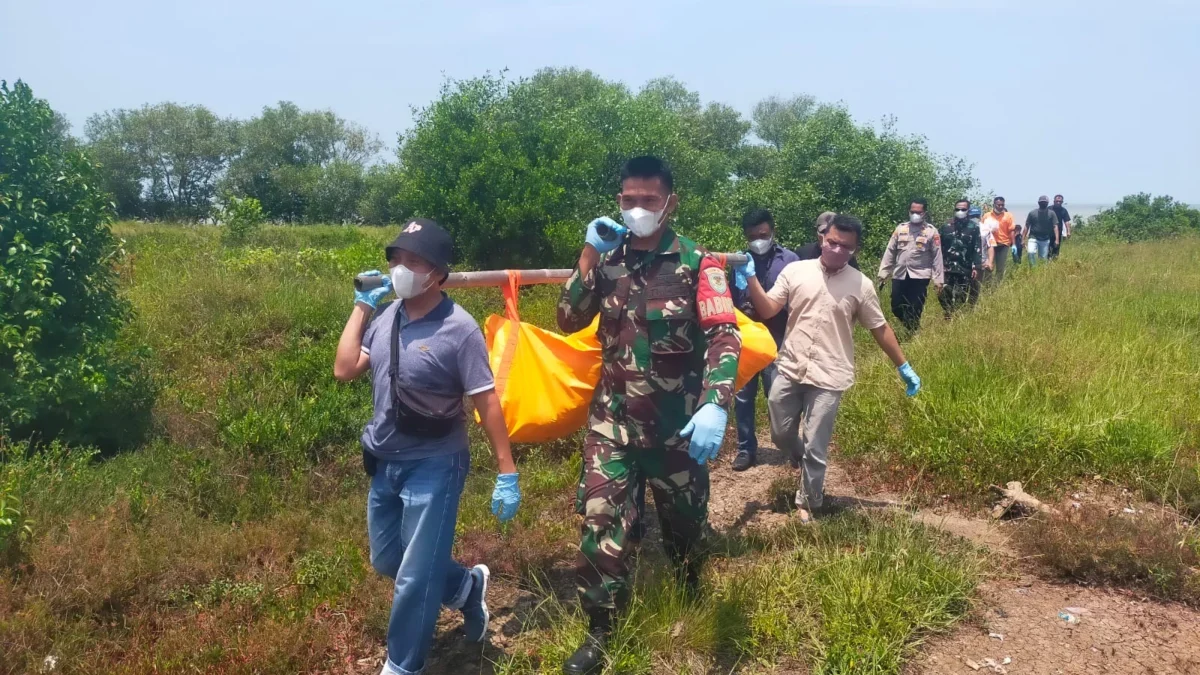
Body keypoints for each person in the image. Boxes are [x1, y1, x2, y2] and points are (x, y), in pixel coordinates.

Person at [557, 156, 741, 675]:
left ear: (670, 203)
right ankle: (602, 630)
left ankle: (688, 584)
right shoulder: (609, 259)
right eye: (628, 200)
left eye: (648, 200)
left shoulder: (698, 264)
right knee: (601, 523)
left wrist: (715, 402)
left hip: (675, 429)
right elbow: (568, 316)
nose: (637, 209)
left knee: (684, 526)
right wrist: (588, 253)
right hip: (610, 425)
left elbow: (725, 335)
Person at [333, 219, 521, 675]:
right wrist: (361, 308)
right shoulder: (386, 318)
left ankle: (402, 665)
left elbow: (486, 399)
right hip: (385, 460)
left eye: (413, 261)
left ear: (437, 272)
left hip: (435, 464)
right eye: (396, 259)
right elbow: (344, 368)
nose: (401, 269)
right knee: (387, 560)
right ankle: (464, 588)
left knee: (415, 579)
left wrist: (506, 470)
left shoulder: (459, 329)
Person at [734, 214, 921, 524]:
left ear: (855, 250)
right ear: (823, 238)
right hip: (790, 367)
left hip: (830, 374)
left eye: (845, 247)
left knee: (817, 446)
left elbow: (879, 327)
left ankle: (809, 500)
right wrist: (751, 278)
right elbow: (767, 309)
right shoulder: (796, 271)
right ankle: (801, 455)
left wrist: (904, 366)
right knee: (781, 435)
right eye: (832, 242)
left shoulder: (861, 285)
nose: (836, 249)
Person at [728, 208, 798, 471]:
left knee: (778, 396)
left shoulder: (790, 260)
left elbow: (795, 300)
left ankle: (791, 446)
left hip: (778, 338)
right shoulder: (738, 260)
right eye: (752, 236)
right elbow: (733, 298)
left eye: (763, 234)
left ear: (772, 232)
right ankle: (746, 449)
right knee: (744, 397)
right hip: (747, 339)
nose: (758, 240)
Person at [876, 199, 944, 333]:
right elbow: (890, 251)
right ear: (909, 211)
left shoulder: (931, 231)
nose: (915, 214)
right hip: (900, 274)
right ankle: (912, 328)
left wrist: (938, 280)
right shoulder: (901, 228)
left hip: (920, 275)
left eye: (918, 212)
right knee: (896, 306)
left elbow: (937, 256)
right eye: (913, 212)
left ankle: (911, 334)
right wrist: (884, 272)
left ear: (924, 213)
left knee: (915, 307)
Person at [938, 199, 983, 319]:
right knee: (943, 294)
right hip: (946, 267)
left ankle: (956, 316)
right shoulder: (946, 226)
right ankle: (948, 313)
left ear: (968, 211)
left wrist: (976, 267)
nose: (960, 211)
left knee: (960, 294)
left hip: (964, 267)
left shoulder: (973, 227)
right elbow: (938, 247)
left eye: (963, 209)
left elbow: (977, 247)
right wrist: (937, 265)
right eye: (957, 209)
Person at [795, 211, 860, 270]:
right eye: (824, 231)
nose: (827, 235)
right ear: (816, 231)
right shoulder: (803, 253)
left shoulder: (846, 256)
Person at [981, 196, 1016, 282]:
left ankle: (997, 286)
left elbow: (1011, 230)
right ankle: (987, 284)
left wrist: (1014, 244)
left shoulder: (1008, 216)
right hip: (990, 245)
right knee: (988, 265)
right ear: (994, 205)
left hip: (1003, 244)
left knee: (1000, 267)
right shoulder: (987, 216)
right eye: (998, 205)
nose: (1000, 207)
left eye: (1002, 205)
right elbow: (981, 230)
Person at [1023, 195, 1060, 267]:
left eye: (1045, 202)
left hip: (1045, 238)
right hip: (1033, 237)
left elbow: (1055, 226)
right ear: (1038, 203)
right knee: (1030, 252)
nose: (1043, 203)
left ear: (1047, 203)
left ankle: (1041, 271)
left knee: (1043, 258)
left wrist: (1057, 240)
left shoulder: (1051, 213)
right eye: (1042, 202)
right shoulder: (1032, 213)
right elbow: (1027, 226)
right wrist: (1022, 239)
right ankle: (1033, 268)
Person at [967, 205, 988, 305]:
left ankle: (972, 306)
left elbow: (991, 245)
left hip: (980, 262)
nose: (974, 218)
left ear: (980, 216)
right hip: (965, 262)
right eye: (972, 216)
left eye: (976, 216)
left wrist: (989, 260)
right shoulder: (964, 228)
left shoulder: (985, 229)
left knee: (976, 286)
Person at [1050, 194, 1072, 259]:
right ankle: (1047, 261)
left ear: (1062, 202)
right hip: (1048, 232)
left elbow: (1066, 221)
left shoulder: (1063, 210)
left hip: (1058, 232)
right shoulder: (1049, 209)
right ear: (1054, 201)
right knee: (1048, 248)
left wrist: (1068, 231)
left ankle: (1054, 261)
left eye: (1060, 201)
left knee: (1056, 247)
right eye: (1057, 201)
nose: (1058, 202)